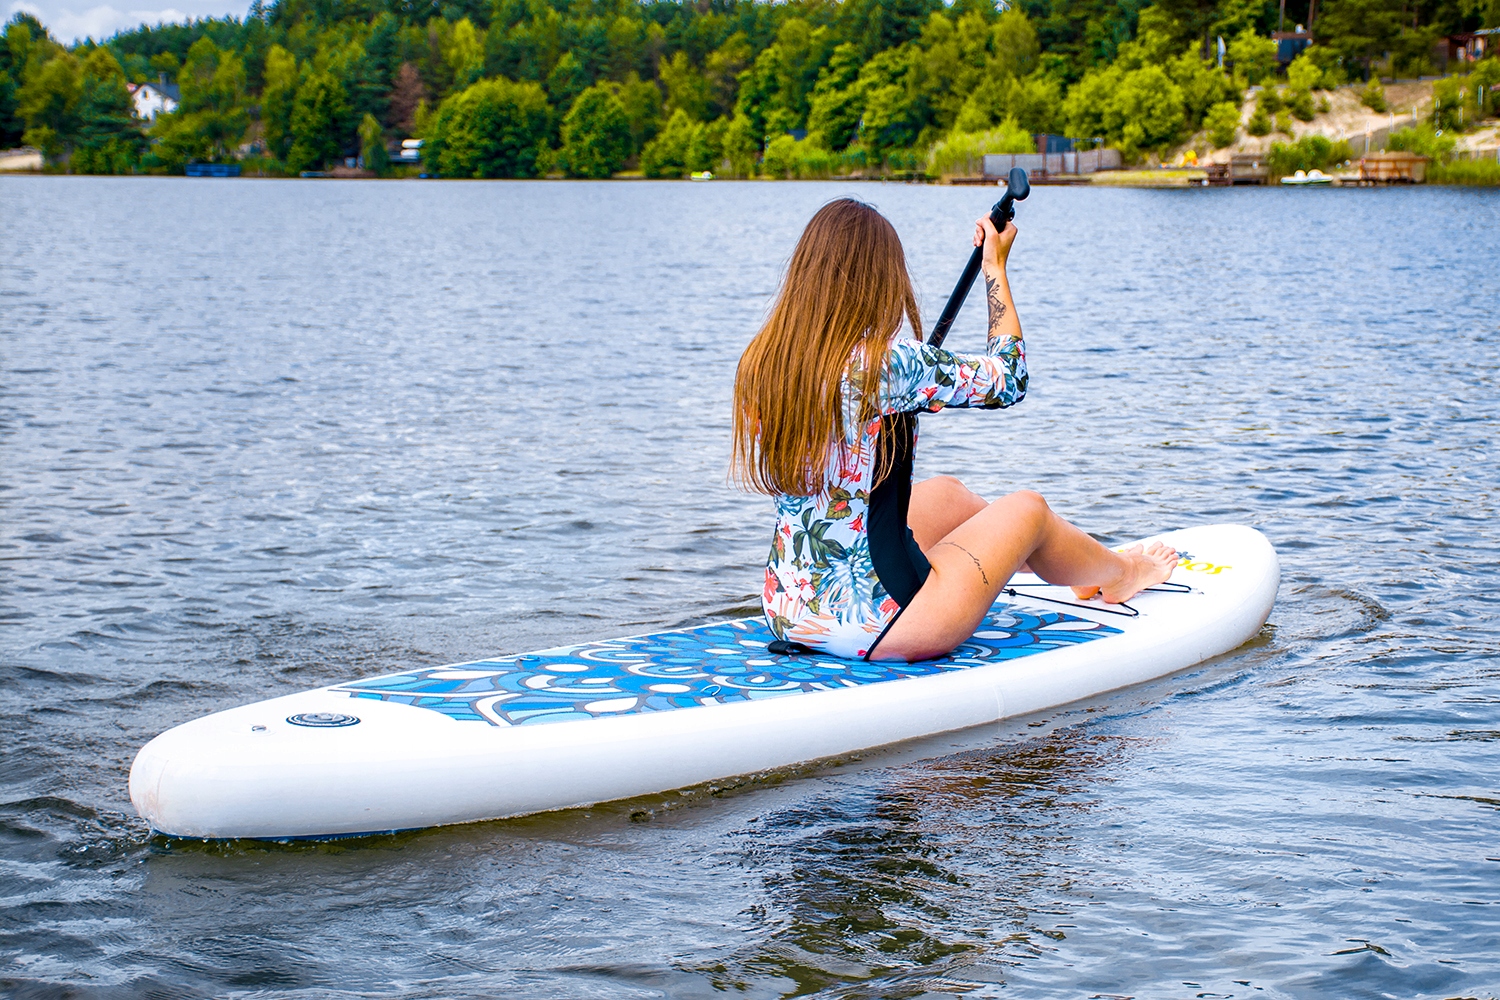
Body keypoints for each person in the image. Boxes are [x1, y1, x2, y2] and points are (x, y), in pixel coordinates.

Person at [731, 198, 1178, 662]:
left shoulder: (764, 363)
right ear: (881, 281)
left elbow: (841, 443)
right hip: (883, 622)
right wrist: (995, 268)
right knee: (1029, 510)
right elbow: (1010, 377)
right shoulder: (891, 365)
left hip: (787, 608)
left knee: (949, 495)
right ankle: (1123, 573)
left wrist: (909, 403)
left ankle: (1071, 565)